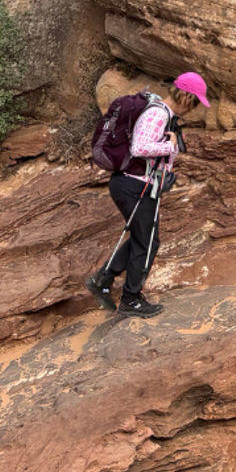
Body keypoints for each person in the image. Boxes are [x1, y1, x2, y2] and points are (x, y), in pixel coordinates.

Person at [86, 71, 206, 318]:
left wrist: (168, 153)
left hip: (134, 184)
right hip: (133, 185)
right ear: (185, 96)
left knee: (144, 239)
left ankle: (103, 279)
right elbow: (139, 147)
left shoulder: (162, 113)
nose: (194, 108)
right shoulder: (157, 113)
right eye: (195, 102)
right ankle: (130, 299)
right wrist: (169, 145)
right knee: (147, 242)